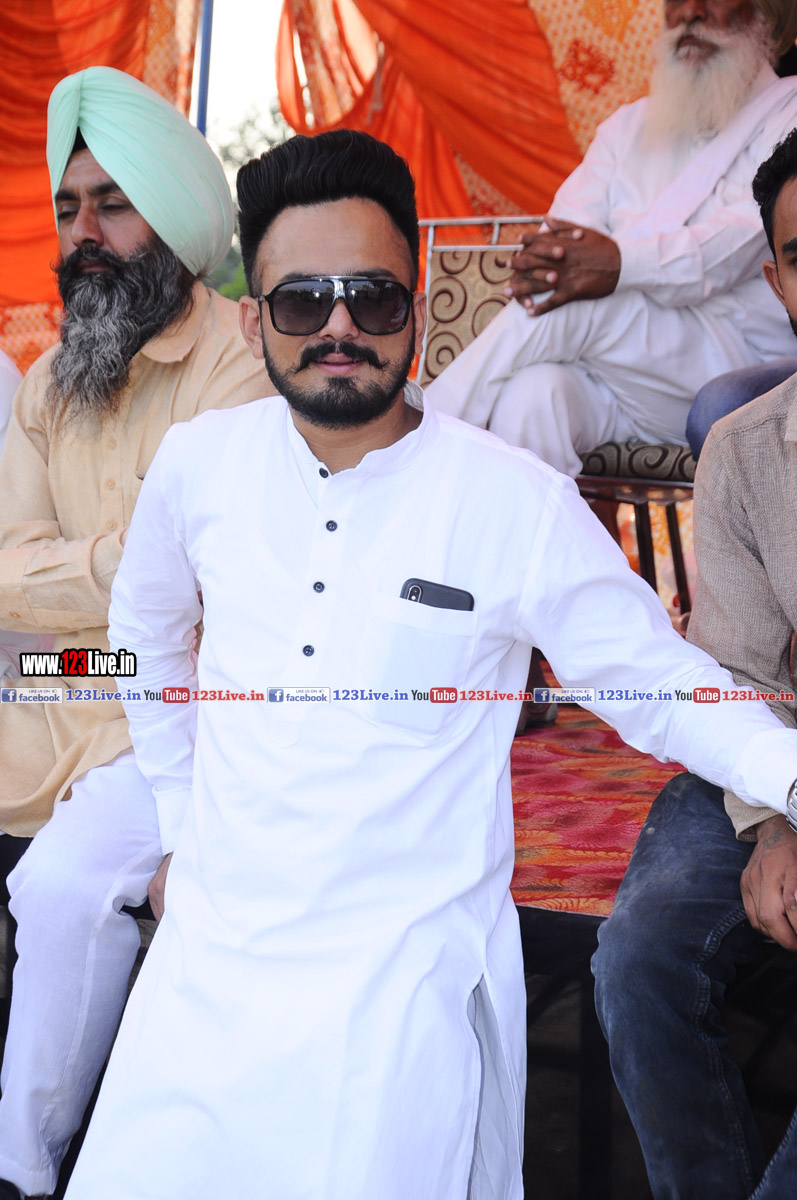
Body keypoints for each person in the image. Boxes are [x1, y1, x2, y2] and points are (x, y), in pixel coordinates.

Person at [60, 128, 797, 1200]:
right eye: (302, 302)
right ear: (251, 318)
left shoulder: (509, 501)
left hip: (397, 996)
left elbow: (657, 684)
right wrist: (179, 820)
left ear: (417, 308)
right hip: (204, 978)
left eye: (374, 298)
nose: (340, 327)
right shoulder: (200, 466)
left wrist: (786, 778)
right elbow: (145, 630)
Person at [0, 66, 271, 1200]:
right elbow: (7, 574)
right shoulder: (51, 380)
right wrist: (124, 567)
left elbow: (200, 594)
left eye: (113, 203)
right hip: (62, 681)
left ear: (170, 212)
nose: (85, 234)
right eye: (70, 208)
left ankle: (24, 1170)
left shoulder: (239, 366)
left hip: (182, 706)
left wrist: (73, 579)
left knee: (61, 890)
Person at [592, 126, 797, 1200]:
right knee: (640, 955)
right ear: (776, 282)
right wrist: (774, 823)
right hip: (768, 757)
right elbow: (739, 678)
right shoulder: (745, 451)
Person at [425, 0, 797, 476]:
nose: (691, 12)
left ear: (765, 14)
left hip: (738, 369)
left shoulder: (789, 114)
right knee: (532, 399)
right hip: (622, 376)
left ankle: (412, 446)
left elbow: (728, 249)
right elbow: (563, 244)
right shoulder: (628, 127)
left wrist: (619, 264)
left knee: (575, 303)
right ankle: (517, 527)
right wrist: (560, 263)